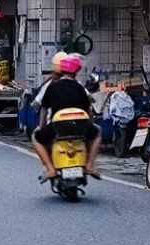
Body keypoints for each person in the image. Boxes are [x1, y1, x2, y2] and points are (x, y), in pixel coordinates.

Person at [30, 52, 100, 181]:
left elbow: (44, 109)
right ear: (77, 71)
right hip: (80, 126)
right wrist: (89, 125)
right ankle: (90, 164)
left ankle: (50, 169)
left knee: (36, 138)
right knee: (97, 132)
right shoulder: (79, 87)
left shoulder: (52, 86)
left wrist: (42, 127)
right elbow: (88, 109)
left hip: (58, 127)